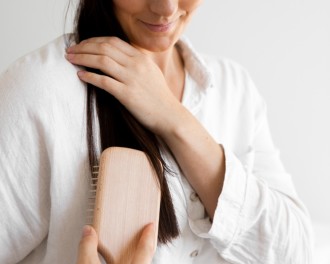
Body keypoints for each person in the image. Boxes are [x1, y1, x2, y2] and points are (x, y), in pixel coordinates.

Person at [0, 0, 314, 263]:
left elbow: (296, 252)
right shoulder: (41, 90)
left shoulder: (235, 89)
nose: (166, 8)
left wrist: (173, 118)